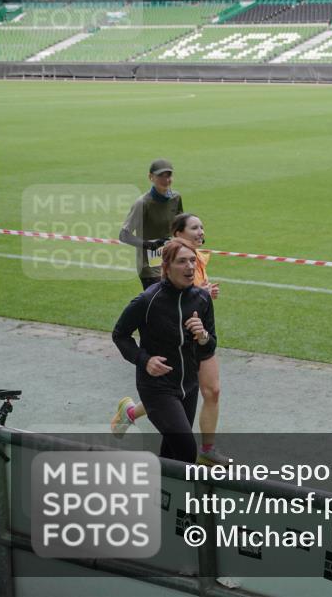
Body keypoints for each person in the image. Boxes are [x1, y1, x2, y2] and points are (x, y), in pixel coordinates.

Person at [112, 214, 228, 466]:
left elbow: (210, 345)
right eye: (182, 262)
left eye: (191, 261)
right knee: (186, 449)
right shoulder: (147, 300)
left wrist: (202, 335)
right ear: (167, 267)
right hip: (156, 387)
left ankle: (162, 497)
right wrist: (144, 360)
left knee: (173, 450)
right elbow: (119, 335)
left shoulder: (202, 299)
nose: (189, 267)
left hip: (188, 386)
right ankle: (186, 503)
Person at [119, 159, 183, 291]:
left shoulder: (175, 198)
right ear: (151, 177)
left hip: (171, 261)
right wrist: (150, 245)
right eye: (161, 176)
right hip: (150, 267)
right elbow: (124, 235)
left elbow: (180, 226)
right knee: (158, 305)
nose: (166, 180)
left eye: (168, 175)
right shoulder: (142, 203)